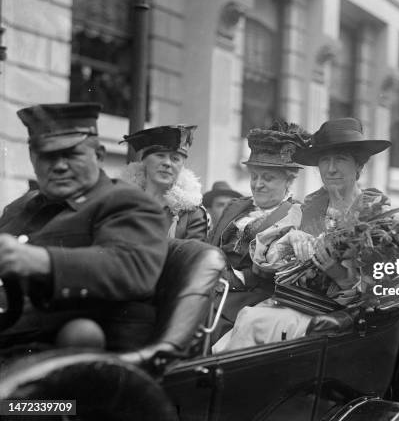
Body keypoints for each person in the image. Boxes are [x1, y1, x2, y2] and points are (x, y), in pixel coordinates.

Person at [213, 117, 394, 352]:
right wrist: (289, 239)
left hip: (341, 320)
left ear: (359, 166)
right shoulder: (308, 207)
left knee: (252, 322)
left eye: (340, 159)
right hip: (295, 304)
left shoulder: (376, 212)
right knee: (245, 320)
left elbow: (383, 288)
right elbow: (265, 257)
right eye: (324, 160)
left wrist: (337, 273)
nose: (331, 169)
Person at [0, 103, 168, 351]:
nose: (58, 166)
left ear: (98, 155)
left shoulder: (126, 202)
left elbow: (133, 267)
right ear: (32, 159)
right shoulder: (23, 206)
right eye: (46, 156)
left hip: (67, 355)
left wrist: (40, 260)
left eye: (71, 154)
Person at [207, 121, 309, 340]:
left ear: (288, 180)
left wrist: (233, 277)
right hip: (209, 283)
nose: (258, 184)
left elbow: (279, 274)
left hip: (250, 299)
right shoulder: (236, 206)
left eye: (268, 177)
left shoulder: (296, 215)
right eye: (255, 176)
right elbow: (210, 245)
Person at [119, 125, 210, 240]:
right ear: (144, 160)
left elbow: (192, 255)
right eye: (160, 155)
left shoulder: (192, 214)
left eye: (175, 159)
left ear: (182, 166)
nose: (167, 163)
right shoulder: (121, 203)